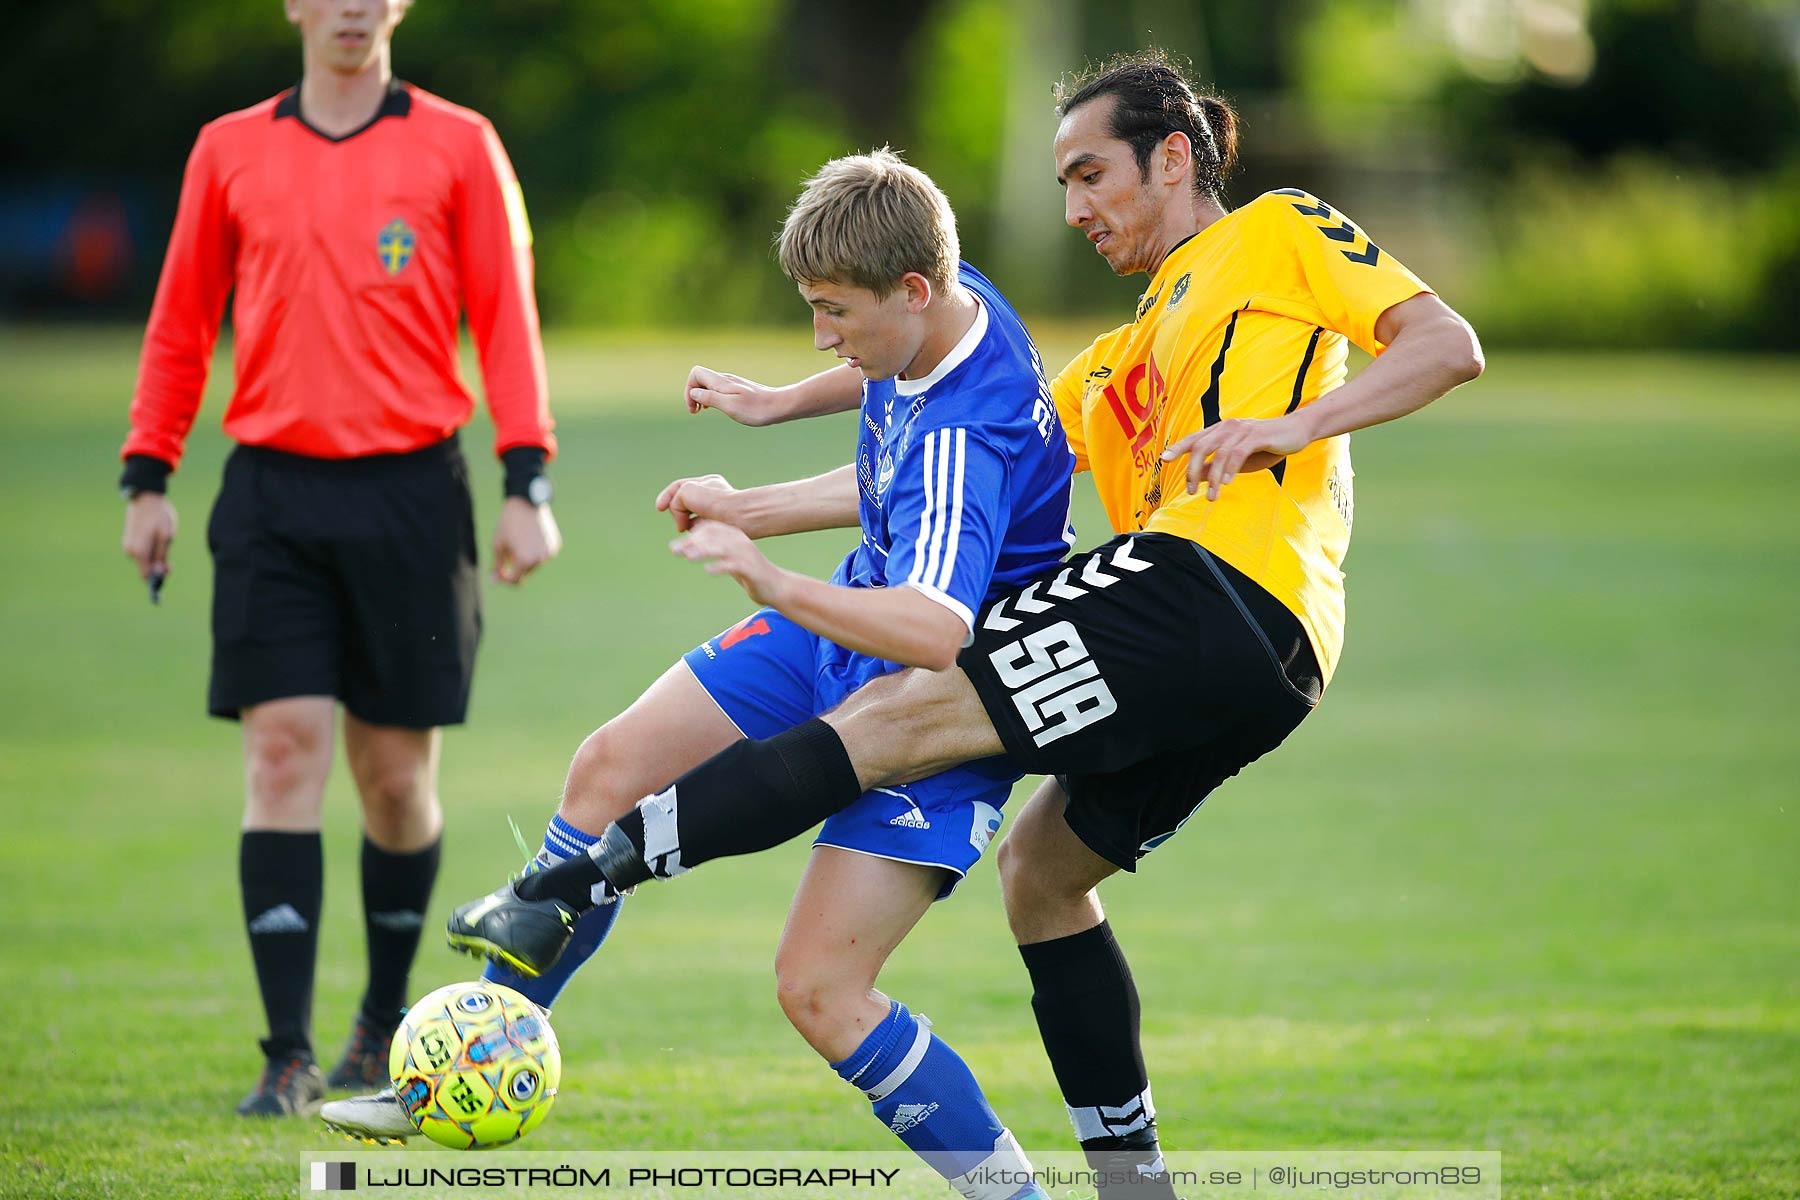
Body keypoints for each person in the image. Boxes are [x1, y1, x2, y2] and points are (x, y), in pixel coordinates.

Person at [453, 51, 1484, 1200]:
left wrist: (1290, 428)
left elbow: (1446, 345)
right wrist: (765, 471)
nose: (1076, 208)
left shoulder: (1280, 230)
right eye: (1061, 184)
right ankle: (1133, 1189)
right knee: (1042, 872)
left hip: (1212, 584)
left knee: (903, 715)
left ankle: (573, 884)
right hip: (1268, 667)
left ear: (1177, 156)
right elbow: (945, 465)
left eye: (1091, 175)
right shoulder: (1123, 354)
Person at [328, 149, 1069, 1199]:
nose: (824, 335)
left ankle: (1018, 1196)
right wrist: (774, 417)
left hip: (933, 708)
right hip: (846, 629)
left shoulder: (969, 425)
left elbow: (936, 627)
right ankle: (459, 1069)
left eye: (833, 313)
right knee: (609, 770)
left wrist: (766, 575)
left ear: (913, 289)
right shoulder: (950, 295)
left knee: (820, 990)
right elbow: (884, 434)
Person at [119, 0, 562, 1117]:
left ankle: (381, 1026)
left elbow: (506, 318)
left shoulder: (459, 144)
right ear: (297, 6)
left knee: (395, 780)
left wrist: (527, 484)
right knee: (281, 755)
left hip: (412, 494)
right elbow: (180, 322)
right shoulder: (230, 149)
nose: (355, 6)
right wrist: (147, 475)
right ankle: (285, 1053)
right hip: (270, 493)